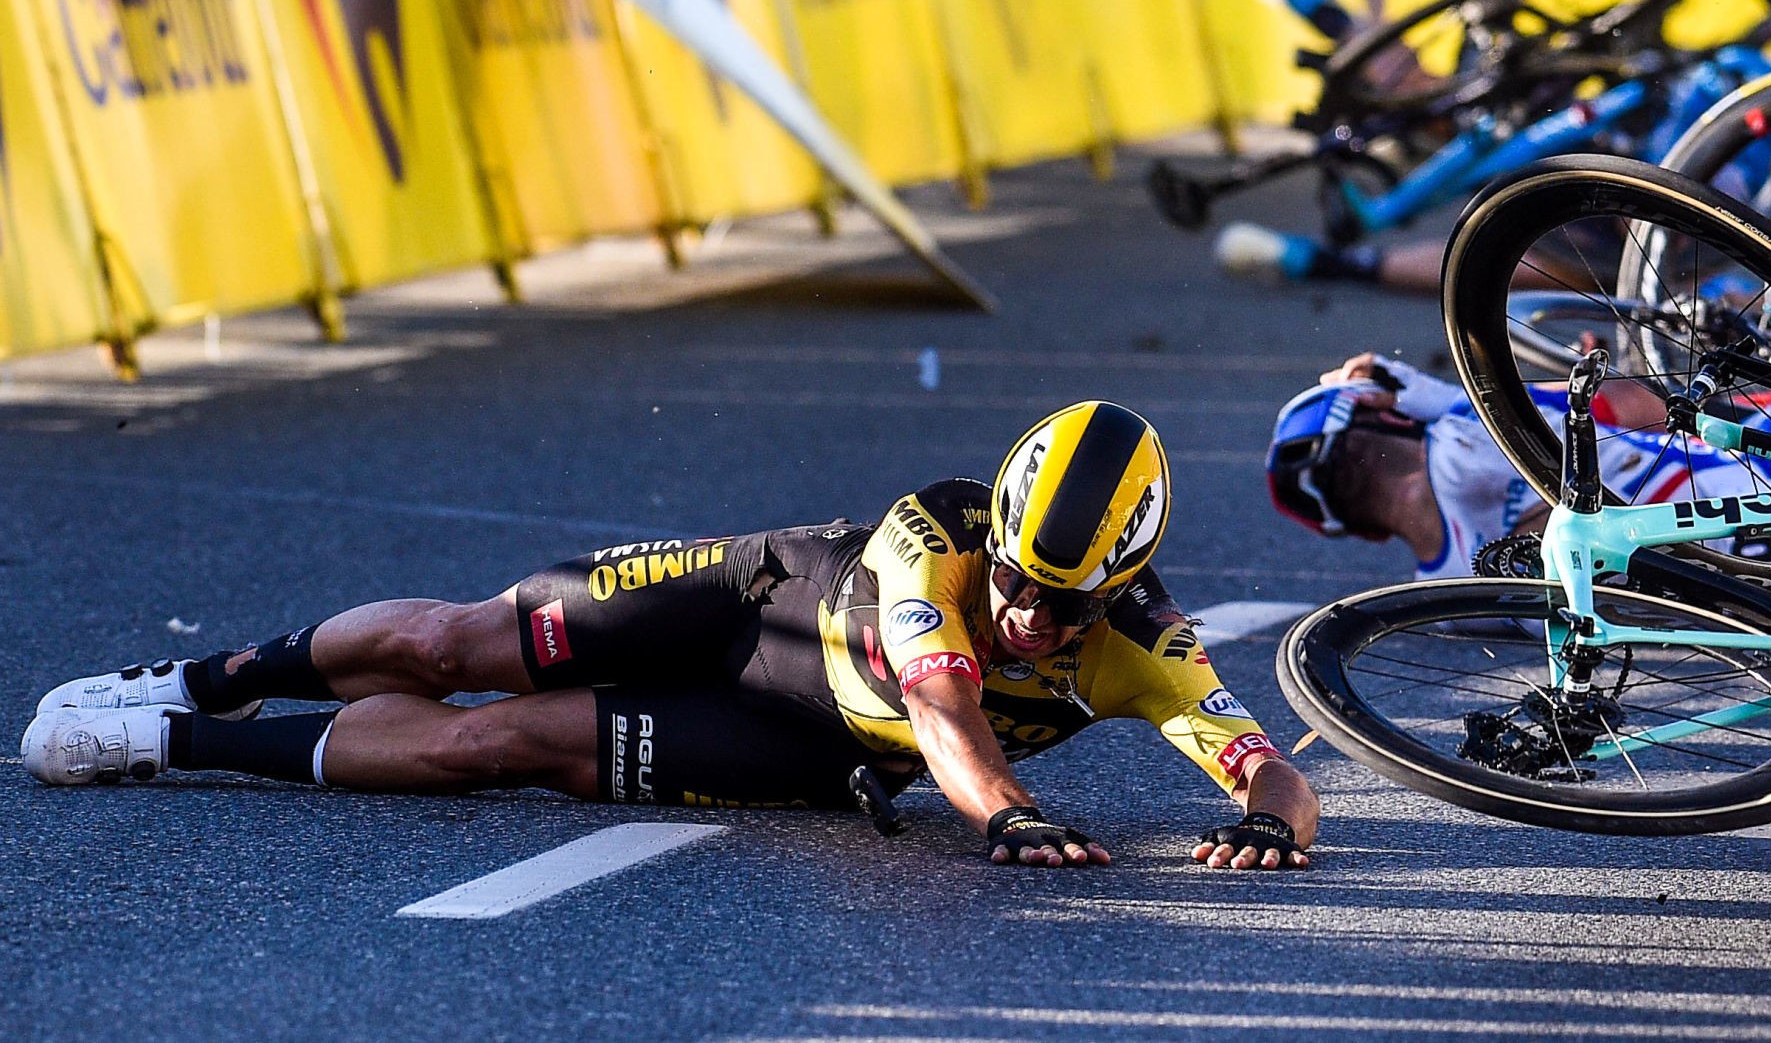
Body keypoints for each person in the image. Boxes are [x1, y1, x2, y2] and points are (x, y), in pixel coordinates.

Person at [23, 401, 1320, 871]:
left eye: (1065, 606)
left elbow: (1268, 764)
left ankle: (167, 739)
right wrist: (1001, 815)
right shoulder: (940, 530)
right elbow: (945, 708)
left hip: (803, 739)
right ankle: (206, 673)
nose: (1033, 614)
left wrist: (1268, 816)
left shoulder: (1149, 639)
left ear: (1127, 585)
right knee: (452, 645)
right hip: (763, 603)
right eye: (1023, 581)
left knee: (504, 749)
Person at [1266, 354, 1771, 610]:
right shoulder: (1466, 429)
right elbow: (1632, 404)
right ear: (1380, 418)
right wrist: (1425, 390)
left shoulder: (1448, 583)